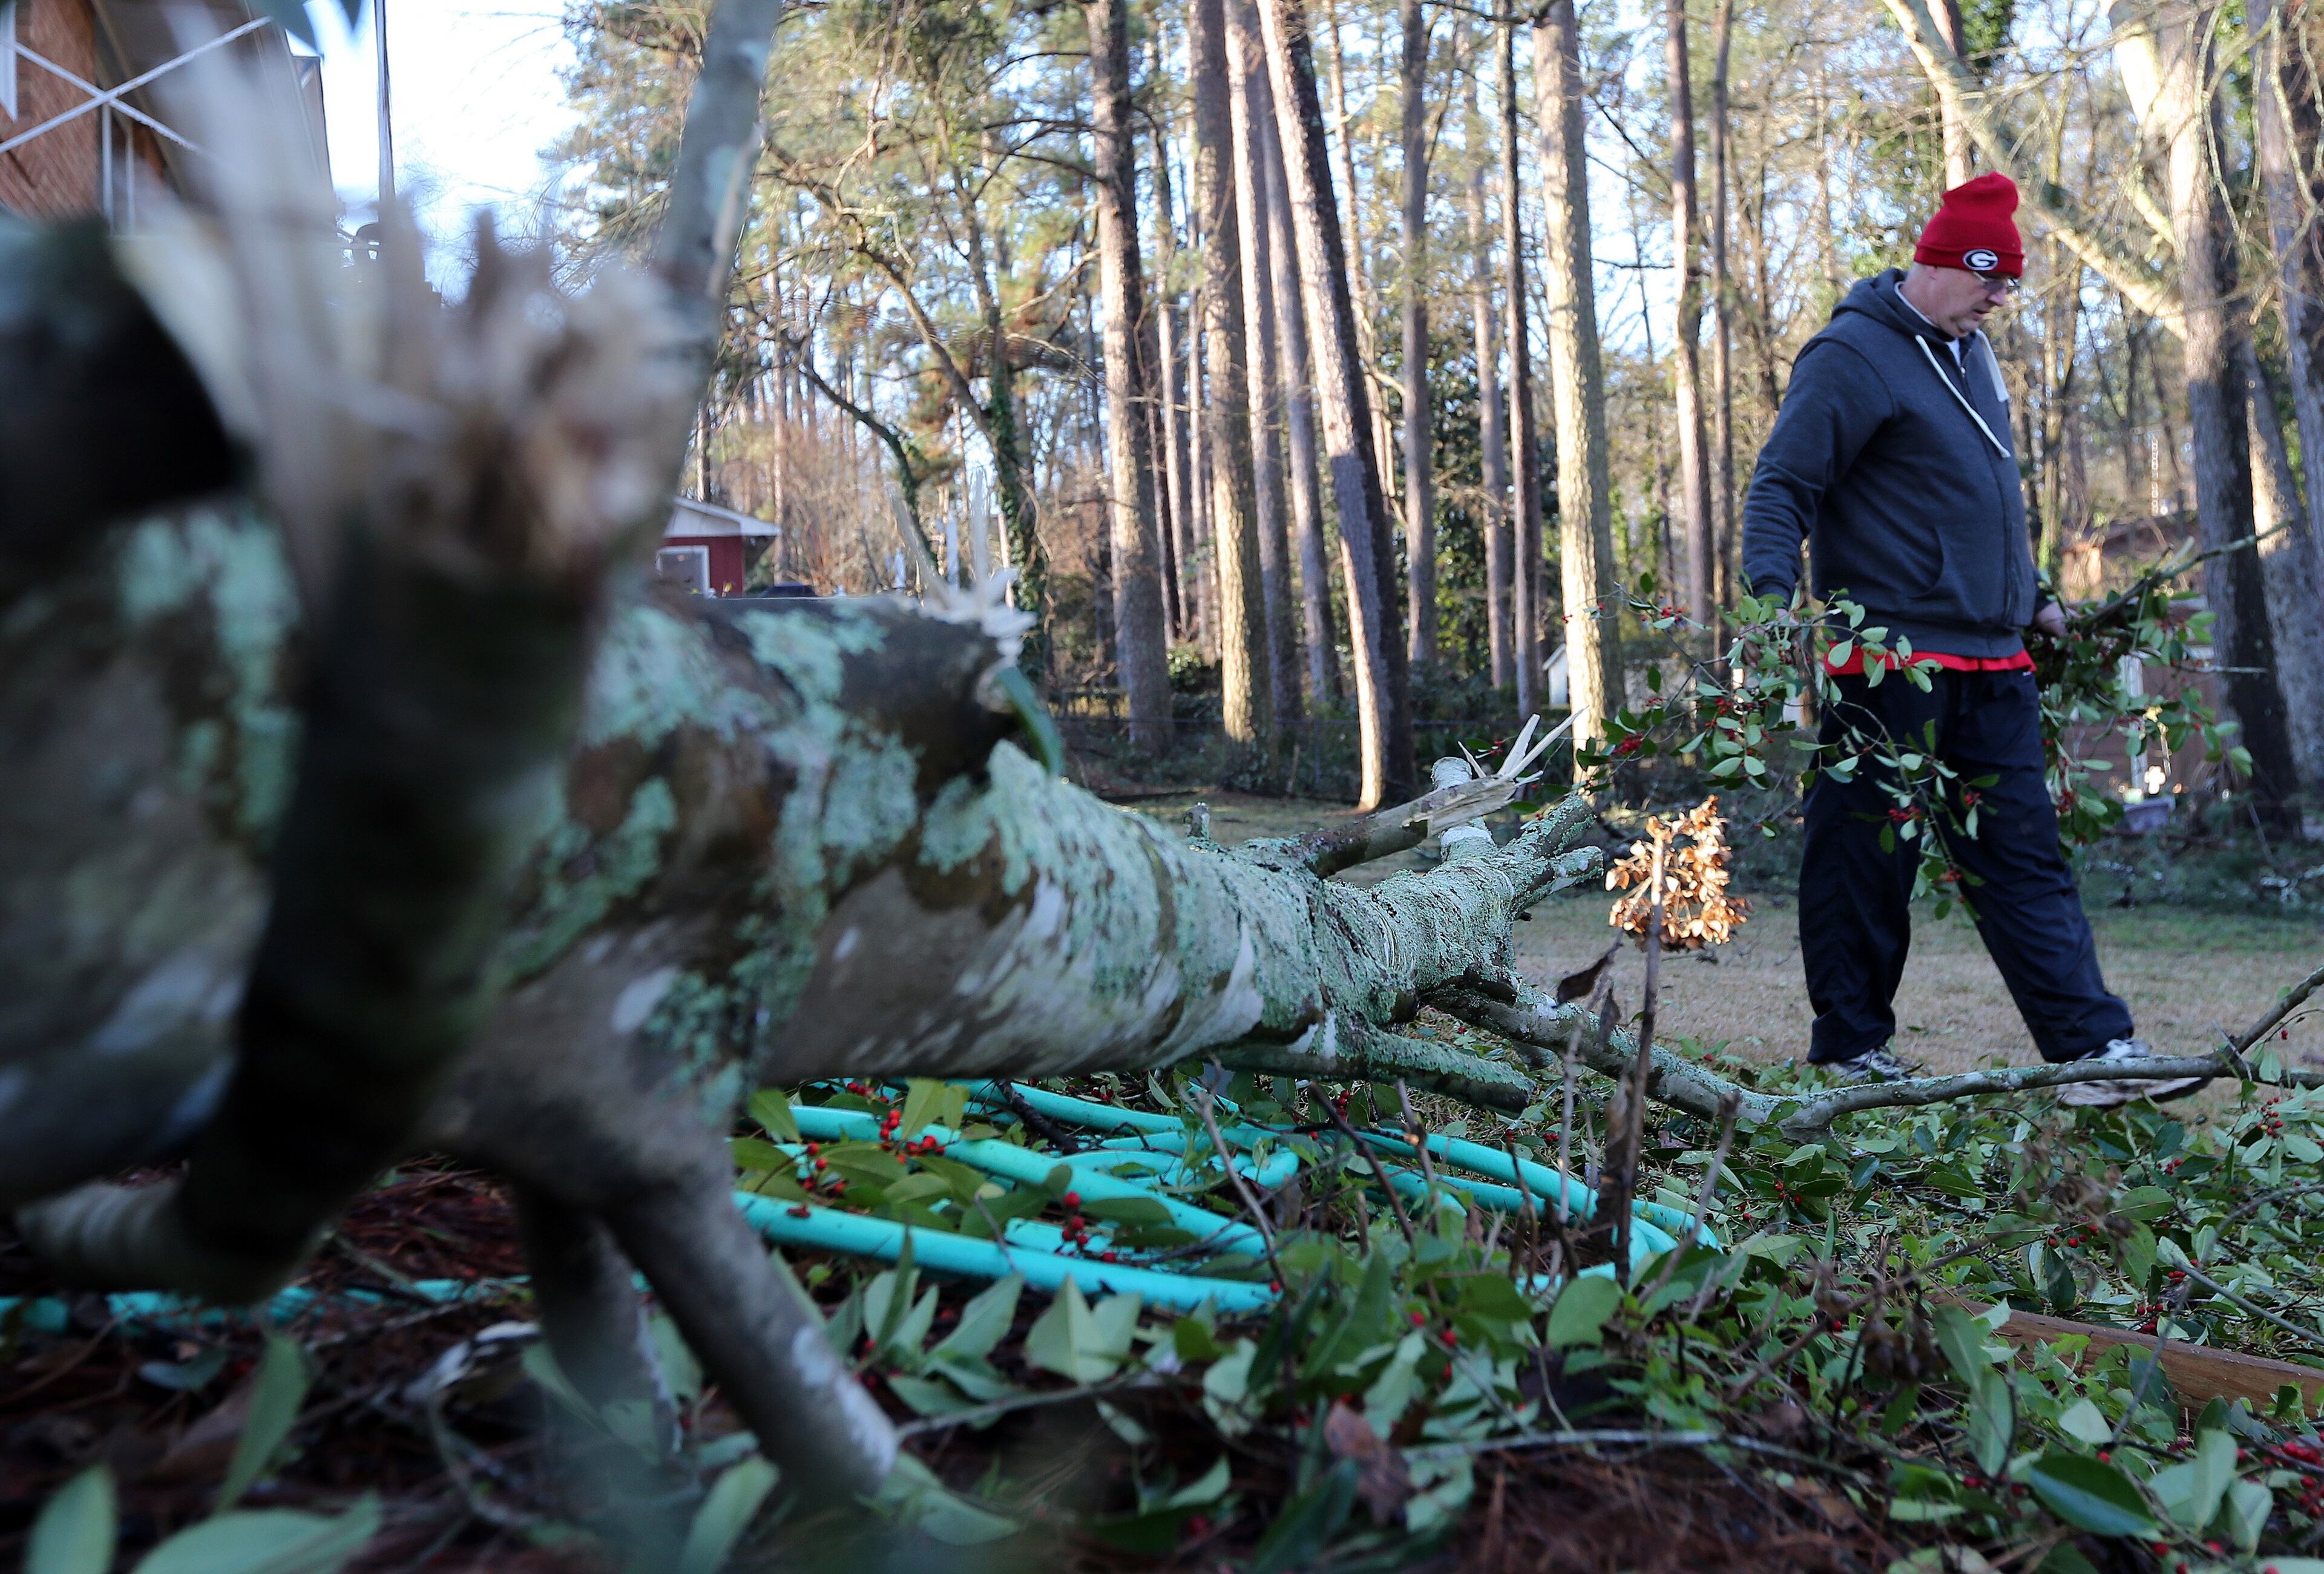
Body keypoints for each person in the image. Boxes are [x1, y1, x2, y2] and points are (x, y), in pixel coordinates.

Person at [1739, 171, 2205, 1109]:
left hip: (1994, 661)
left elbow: (1985, 495)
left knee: (2025, 858)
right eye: (1992, 280)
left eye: (2009, 285)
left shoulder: (1974, 355)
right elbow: (1781, 484)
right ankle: (1850, 1051)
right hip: (1890, 662)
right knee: (1867, 858)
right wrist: (1768, 600)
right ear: (1945, 263)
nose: (2002, 299)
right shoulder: (1853, 354)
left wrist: (2030, 594)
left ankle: (2089, 1053)